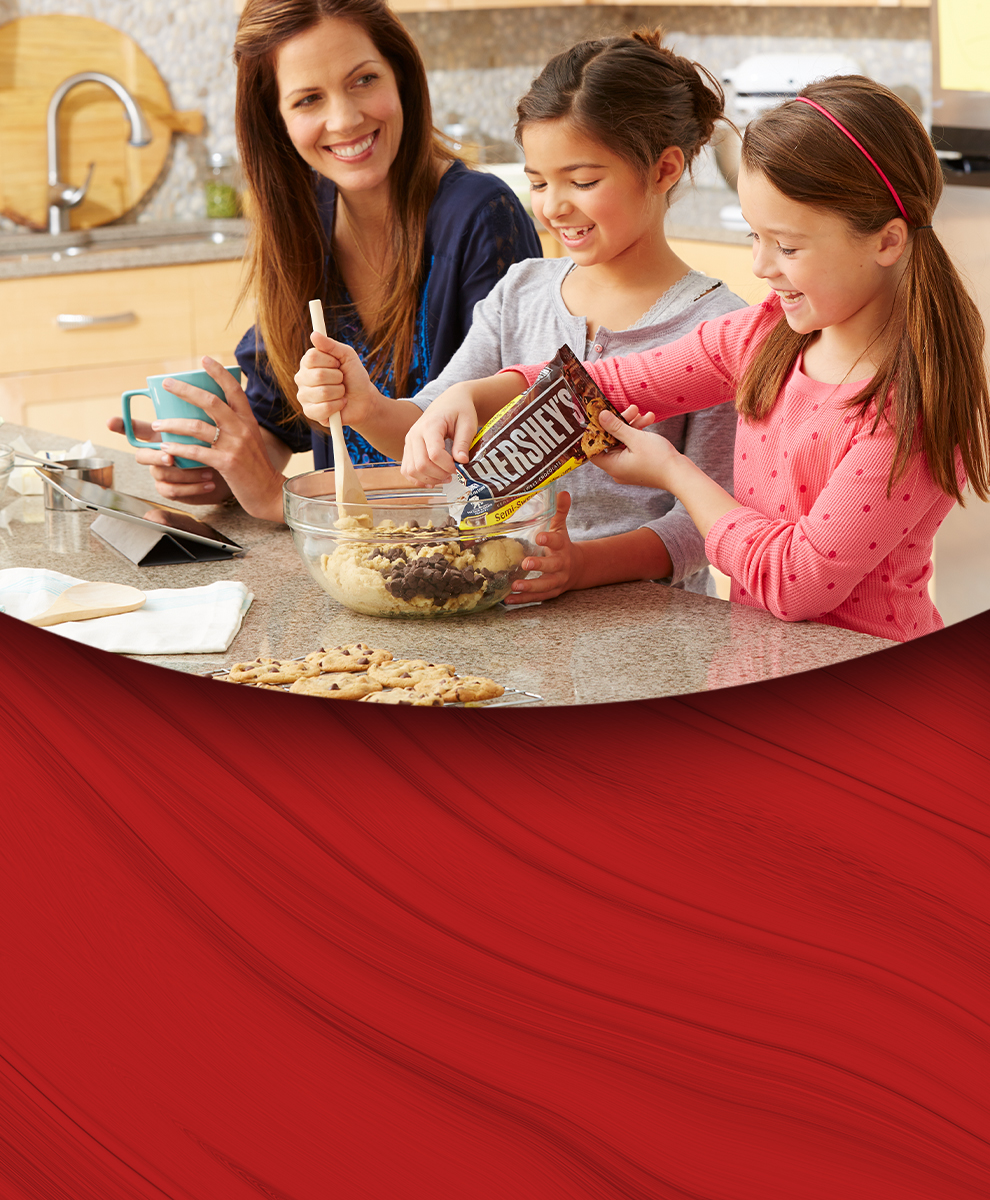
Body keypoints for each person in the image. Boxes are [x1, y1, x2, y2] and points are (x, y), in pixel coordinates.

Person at [416, 77, 990, 641]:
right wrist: (482, 391)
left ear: (887, 242)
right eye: (754, 238)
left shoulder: (908, 408)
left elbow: (794, 581)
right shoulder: (766, 337)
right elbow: (616, 382)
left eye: (787, 246)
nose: (763, 266)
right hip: (762, 662)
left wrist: (674, 473)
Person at [297, 28, 744, 599]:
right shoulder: (520, 293)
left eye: (582, 181)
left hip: (651, 627)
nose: (553, 206)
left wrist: (583, 565)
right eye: (537, 181)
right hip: (506, 610)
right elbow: (433, 430)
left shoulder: (720, 331)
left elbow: (709, 521)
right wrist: (366, 407)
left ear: (663, 170)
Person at [106, 0, 540, 521]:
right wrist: (221, 464)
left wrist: (276, 499)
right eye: (308, 99)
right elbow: (278, 419)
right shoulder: (306, 219)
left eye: (363, 80)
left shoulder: (479, 215)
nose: (345, 118)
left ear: (400, 76)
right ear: (276, 121)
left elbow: (511, 456)